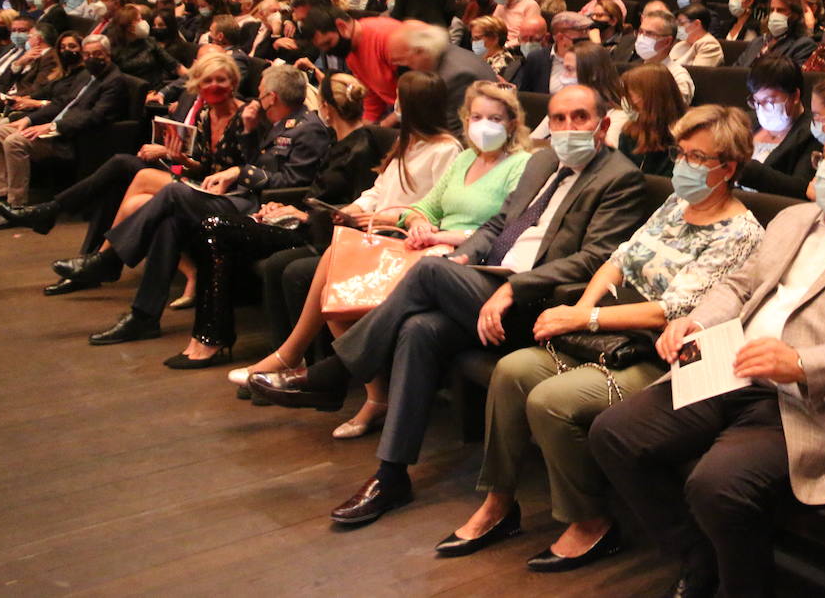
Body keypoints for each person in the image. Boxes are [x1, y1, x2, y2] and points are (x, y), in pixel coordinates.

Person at [247, 85, 652, 526]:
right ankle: (391, 474)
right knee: (419, 328)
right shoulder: (543, 161)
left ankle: (334, 373)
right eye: (559, 119)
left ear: (603, 124)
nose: (568, 128)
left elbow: (594, 258)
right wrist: (466, 257)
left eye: (580, 118)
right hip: (489, 281)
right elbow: (500, 224)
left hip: (540, 305)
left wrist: (513, 288)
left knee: (427, 271)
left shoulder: (620, 177)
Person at [591, 114, 825, 598]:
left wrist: (802, 363)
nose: (823, 170)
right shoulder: (794, 218)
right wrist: (695, 322)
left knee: (715, 485)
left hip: (797, 399)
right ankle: (696, 553)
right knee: (615, 433)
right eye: (824, 158)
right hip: (726, 368)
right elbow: (739, 285)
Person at [441, 105, 765, 570]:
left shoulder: (741, 231)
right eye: (681, 153)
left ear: (728, 168)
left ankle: (592, 523)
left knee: (551, 399)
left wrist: (583, 320)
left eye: (697, 158)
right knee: (512, 371)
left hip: (659, 352)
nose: (682, 165)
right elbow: (619, 258)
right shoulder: (676, 204)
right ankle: (499, 502)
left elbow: (672, 308)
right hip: (608, 332)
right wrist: (580, 309)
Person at [234, 82, 533, 431]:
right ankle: (355, 387)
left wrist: (439, 234)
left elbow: (504, 232)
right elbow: (423, 207)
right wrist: (420, 222)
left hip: (466, 260)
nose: (484, 125)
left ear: (512, 123)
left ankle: (305, 364)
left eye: (495, 118)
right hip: (425, 246)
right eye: (477, 116)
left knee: (343, 282)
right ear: (466, 119)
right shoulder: (465, 158)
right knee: (339, 268)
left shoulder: (522, 165)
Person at [163, 73, 458, 370]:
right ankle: (288, 361)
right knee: (272, 261)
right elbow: (376, 191)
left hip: (395, 237)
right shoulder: (403, 143)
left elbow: (434, 208)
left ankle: (301, 363)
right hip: (361, 226)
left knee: (288, 267)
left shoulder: (444, 150)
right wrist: (351, 210)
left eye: (400, 98)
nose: (394, 105)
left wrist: (382, 215)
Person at [71, 65, 332, 345]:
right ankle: (143, 316)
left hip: (263, 209)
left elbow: (295, 182)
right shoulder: (277, 122)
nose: (257, 98)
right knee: (169, 222)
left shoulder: (307, 128)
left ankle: (110, 260)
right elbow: (255, 162)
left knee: (173, 195)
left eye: (260, 94)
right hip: (241, 197)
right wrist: (246, 133)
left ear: (271, 97)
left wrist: (241, 173)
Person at [0, 53, 250, 296]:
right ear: (197, 83)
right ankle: (91, 259)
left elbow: (255, 166)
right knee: (124, 187)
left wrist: (176, 159)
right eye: (208, 80)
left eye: (221, 79)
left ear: (234, 82)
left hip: (226, 193)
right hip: (190, 176)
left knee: (128, 171)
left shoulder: (249, 115)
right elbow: (203, 165)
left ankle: (83, 242)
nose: (214, 85)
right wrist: (178, 158)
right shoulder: (206, 113)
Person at [0, 34, 129, 211]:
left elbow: (94, 116)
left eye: (97, 54)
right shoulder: (86, 76)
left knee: (15, 142)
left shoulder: (114, 81)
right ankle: (1, 196)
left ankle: (15, 205)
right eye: (87, 55)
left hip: (68, 138)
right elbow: (62, 102)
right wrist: (28, 120)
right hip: (53, 127)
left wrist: (54, 126)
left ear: (108, 54)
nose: (91, 59)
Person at [738, 55, 820, 197]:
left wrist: (743, 168)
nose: (761, 108)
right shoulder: (745, 121)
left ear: (794, 96)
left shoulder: (813, 132)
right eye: (756, 101)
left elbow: (803, 188)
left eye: (769, 101)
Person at [301, 8, 402, 120]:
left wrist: (384, 125)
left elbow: (416, 92)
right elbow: (372, 100)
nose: (328, 52)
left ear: (342, 26)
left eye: (328, 43)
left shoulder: (385, 37)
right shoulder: (351, 51)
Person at [616, 64, 687, 176]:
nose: (630, 101)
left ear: (651, 97)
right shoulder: (629, 133)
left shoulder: (688, 134)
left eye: (632, 94)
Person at [735, 0, 817, 68]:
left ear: (795, 15)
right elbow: (735, 70)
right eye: (772, 10)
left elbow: (791, 77)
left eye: (780, 10)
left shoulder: (803, 45)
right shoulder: (757, 42)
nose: (774, 14)